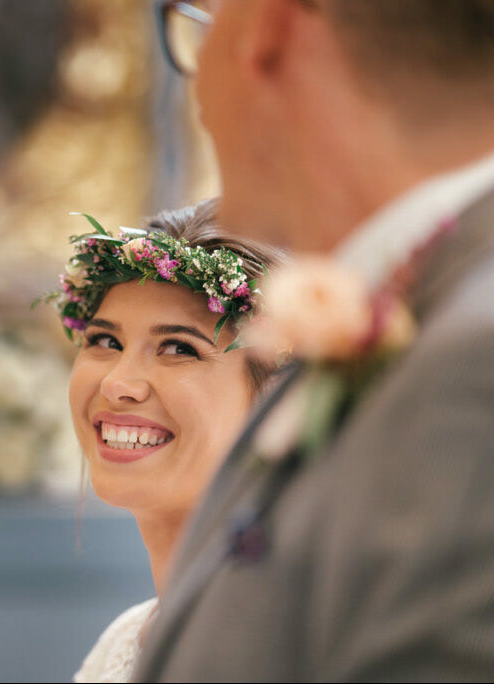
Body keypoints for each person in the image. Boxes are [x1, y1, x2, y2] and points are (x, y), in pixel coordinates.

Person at [136, 1, 494, 680]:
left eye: (200, 26)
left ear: (265, 26)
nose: (198, 86)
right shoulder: (430, 309)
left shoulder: (475, 368)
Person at [48, 200, 282, 682]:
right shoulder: (123, 642)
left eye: (178, 348)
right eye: (104, 341)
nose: (118, 383)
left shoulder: (286, 648)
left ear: (277, 397)